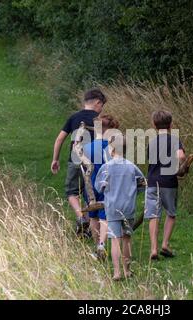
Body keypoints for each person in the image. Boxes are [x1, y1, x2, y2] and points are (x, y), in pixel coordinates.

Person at [51, 89, 107, 236]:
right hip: (94, 160)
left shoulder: (74, 117)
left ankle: (81, 217)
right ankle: (89, 225)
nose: (101, 109)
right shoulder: (100, 120)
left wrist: (55, 159)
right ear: (97, 102)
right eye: (102, 106)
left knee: (72, 191)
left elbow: (59, 139)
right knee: (90, 192)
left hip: (76, 158)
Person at [95, 135, 145, 280]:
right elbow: (142, 183)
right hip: (128, 208)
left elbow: (99, 187)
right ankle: (127, 270)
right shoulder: (131, 166)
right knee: (127, 238)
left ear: (112, 148)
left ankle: (117, 272)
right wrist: (134, 191)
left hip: (112, 207)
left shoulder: (106, 167)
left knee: (115, 239)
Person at [144, 110, 186, 260]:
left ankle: (153, 249)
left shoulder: (152, 142)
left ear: (154, 125)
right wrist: (182, 166)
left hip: (153, 181)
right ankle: (165, 244)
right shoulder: (174, 140)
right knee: (171, 213)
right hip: (169, 182)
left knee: (153, 215)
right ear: (171, 124)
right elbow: (180, 156)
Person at [83, 115, 120, 260]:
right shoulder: (112, 147)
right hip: (107, 183)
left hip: (91, 184)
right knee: (105, 214)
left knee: (93, 215)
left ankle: (97, 245)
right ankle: (102, 245)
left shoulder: (87, 147)